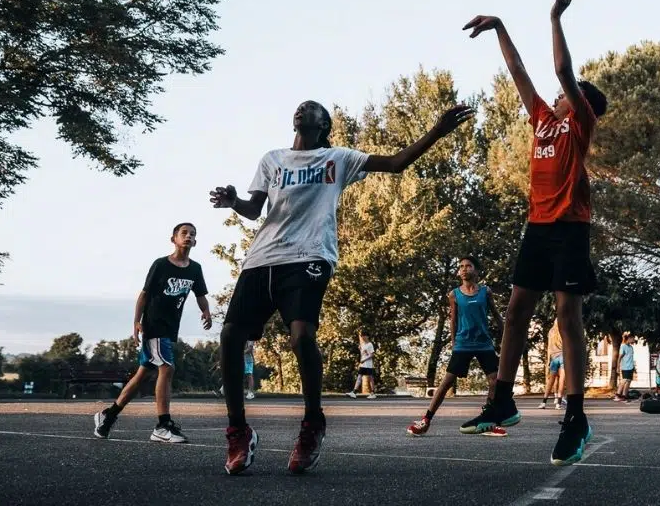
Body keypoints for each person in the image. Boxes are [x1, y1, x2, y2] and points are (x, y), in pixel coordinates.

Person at [209, 99, 473, 475]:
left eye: (312, 109)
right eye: (299, 108)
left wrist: (436, 131)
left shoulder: (337, 158)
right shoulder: (272, 159)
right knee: (230, 335)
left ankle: (312, 425)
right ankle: (238, 432)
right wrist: (233, 200)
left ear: (324, 124)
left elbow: (396, 163)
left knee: (301, 336)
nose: (303, 110)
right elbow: (255, 211)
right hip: (262, 259)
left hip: (310, 255)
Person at [459, 0, 609, 467]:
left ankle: (575, 415)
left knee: (568, 316)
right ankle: (502, 399)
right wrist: (500, 25)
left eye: (569, 93)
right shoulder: (543, 119)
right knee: (517, 309)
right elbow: (518, 71)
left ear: (579, 101)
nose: (561, 93)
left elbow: (562, 69)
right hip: (538, 226)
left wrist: (555, 18)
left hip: (570, 226)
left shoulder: (579, 121)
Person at [93, 222, 212, 442]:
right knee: (167, 368)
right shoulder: (161, 265)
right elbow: (144, 294)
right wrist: (137, 322)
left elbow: (200, 294)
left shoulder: (195, 268)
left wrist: (206, 311)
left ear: (195, 241)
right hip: (154, 324)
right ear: (173, 239)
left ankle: (107, 417)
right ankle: (162, 425)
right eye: (184, 233)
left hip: (170, 327)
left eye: (192, 234)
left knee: (142, 375)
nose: (188, 236)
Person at [408, 256, 505, 436]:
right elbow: (453, 321)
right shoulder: (454, 294)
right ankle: (426, 420)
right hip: (463, 344)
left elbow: (497, 315)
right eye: (461, 266)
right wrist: (454, 344)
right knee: (446, 382)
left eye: (468, 266)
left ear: (476, 271)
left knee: (494, 381)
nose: (464, 269)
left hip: (484, 344)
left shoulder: (485, 292)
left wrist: (506, 335)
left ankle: (488, 422)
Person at [541, 321, 564, 410]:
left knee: (551, 381)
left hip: (553, 357)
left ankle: (543, 402)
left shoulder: (551, 332)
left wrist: (548, 360)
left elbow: (549, 348)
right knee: (562, 380)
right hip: (563, 356)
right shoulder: (563, 330)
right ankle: (558, 403)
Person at [350, 331, 377, 399]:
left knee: (370, 378)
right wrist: (360, 349)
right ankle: (354, 392)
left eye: (364, 336)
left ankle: (373, 393)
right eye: (362, 336)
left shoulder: (370, 344)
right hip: (363, 365)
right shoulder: (362, 344)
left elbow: (372, 355)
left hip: (368, 365)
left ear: (367, 336)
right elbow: (363, 354)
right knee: (359, 377)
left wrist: (364, 360)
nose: (363, 337)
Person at [614, 332, 636, 402]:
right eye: (633, 338)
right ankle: (617, 395)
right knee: (624, 380)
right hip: (625, 367)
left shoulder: (631, 347)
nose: (634, 340)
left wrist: (634, 367)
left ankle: (624, 396)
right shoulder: (623, 346)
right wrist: (618, 367)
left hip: (631, 367)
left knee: (628, 381)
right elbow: (619, 357)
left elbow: (631, 358)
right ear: (629, 338)